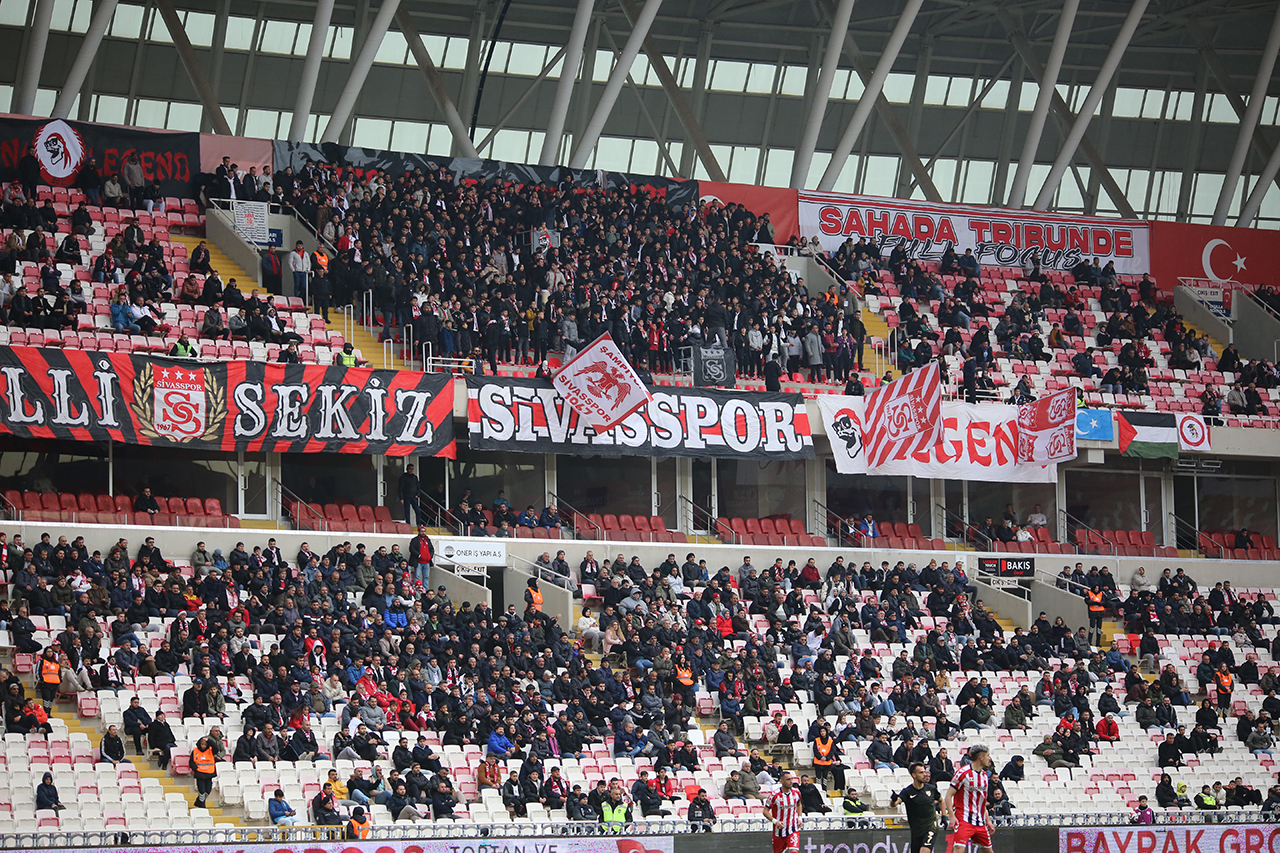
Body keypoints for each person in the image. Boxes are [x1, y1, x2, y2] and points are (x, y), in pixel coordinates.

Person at [944, 745, 994, 853]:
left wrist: (988, 820)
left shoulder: (985, 776)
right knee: (959, 848)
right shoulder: (963, 773)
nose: (989, 758)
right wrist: (952, 817)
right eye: (988, 756)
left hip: (980, 821)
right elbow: (948, 796)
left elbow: (981, 802)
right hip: (963, 819)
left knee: (988, 851)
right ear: (981, 757)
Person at [892, 762, 942, 853]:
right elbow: (895, 803)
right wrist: (893, 799)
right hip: (917, 831)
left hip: (931, 827)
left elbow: (941, 800)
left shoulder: (931, 788)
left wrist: (944, 816)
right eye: (921, 773)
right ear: (914, 775)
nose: (924, 775)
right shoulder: (907, 792)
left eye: (924, 772)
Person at [764, 771, 803, 853]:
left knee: (794, 851)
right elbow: (765, 811)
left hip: (793, 828)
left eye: (791, 779)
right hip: (779, 831)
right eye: (788, 779)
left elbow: (799, 804)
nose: (791, 781)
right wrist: (775, 821)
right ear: (781, 781)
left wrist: (799, 818)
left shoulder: (796, 792)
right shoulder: (774, 795)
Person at [192, 735, 217, 808]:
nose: (203, 746)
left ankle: (198, 801)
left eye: (205, 745)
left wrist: (209, 740)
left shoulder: (210, 750)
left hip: (209, 773)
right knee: (202, 791)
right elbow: (191, 762)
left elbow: (216, 747)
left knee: (208, 790)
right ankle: (202, 804)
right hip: (200, 773)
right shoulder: (195, 751)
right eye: (202, 744)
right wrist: (195, 768)